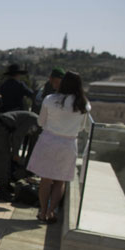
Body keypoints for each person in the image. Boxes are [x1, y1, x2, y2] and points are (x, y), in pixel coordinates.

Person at [27, 71, 91, 223]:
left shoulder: (50, 99)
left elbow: (41, 122)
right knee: (60, 181)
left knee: (45, 180)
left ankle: (42, 212)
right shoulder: (84, 104)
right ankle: (51, 212)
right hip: (68, 144)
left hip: (49, 141)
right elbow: (83, 127)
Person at [0, 110, 39, 201]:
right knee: (3, 160)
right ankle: (2, 190)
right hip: (1, 128)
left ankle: (6, 185)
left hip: (3, 127)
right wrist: (15, 153)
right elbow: (17, 136)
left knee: (6, 159)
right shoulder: (35, 120)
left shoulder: (36, 122)